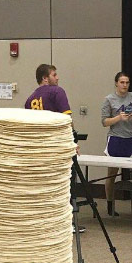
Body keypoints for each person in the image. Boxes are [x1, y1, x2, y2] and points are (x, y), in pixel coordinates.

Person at [25, 63, 85, 233]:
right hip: (57, 147)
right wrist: (72, 141)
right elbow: (66, 119)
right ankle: (67, 223)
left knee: (44, 186)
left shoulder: (30, 100)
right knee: (65, 185)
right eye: (54, 74)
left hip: (39, 149)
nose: (57, 77)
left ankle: (45, 222)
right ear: (45, 78)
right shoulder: (57, 92)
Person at [100, 71, 132, 217]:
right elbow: (105, 122)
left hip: (131, 138)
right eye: (122, 82)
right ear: (116, 83)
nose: (125, 85)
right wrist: (119, 117)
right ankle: (110, 205)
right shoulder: (109, 99)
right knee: (111, 174)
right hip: (116, 138)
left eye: (127, 82)